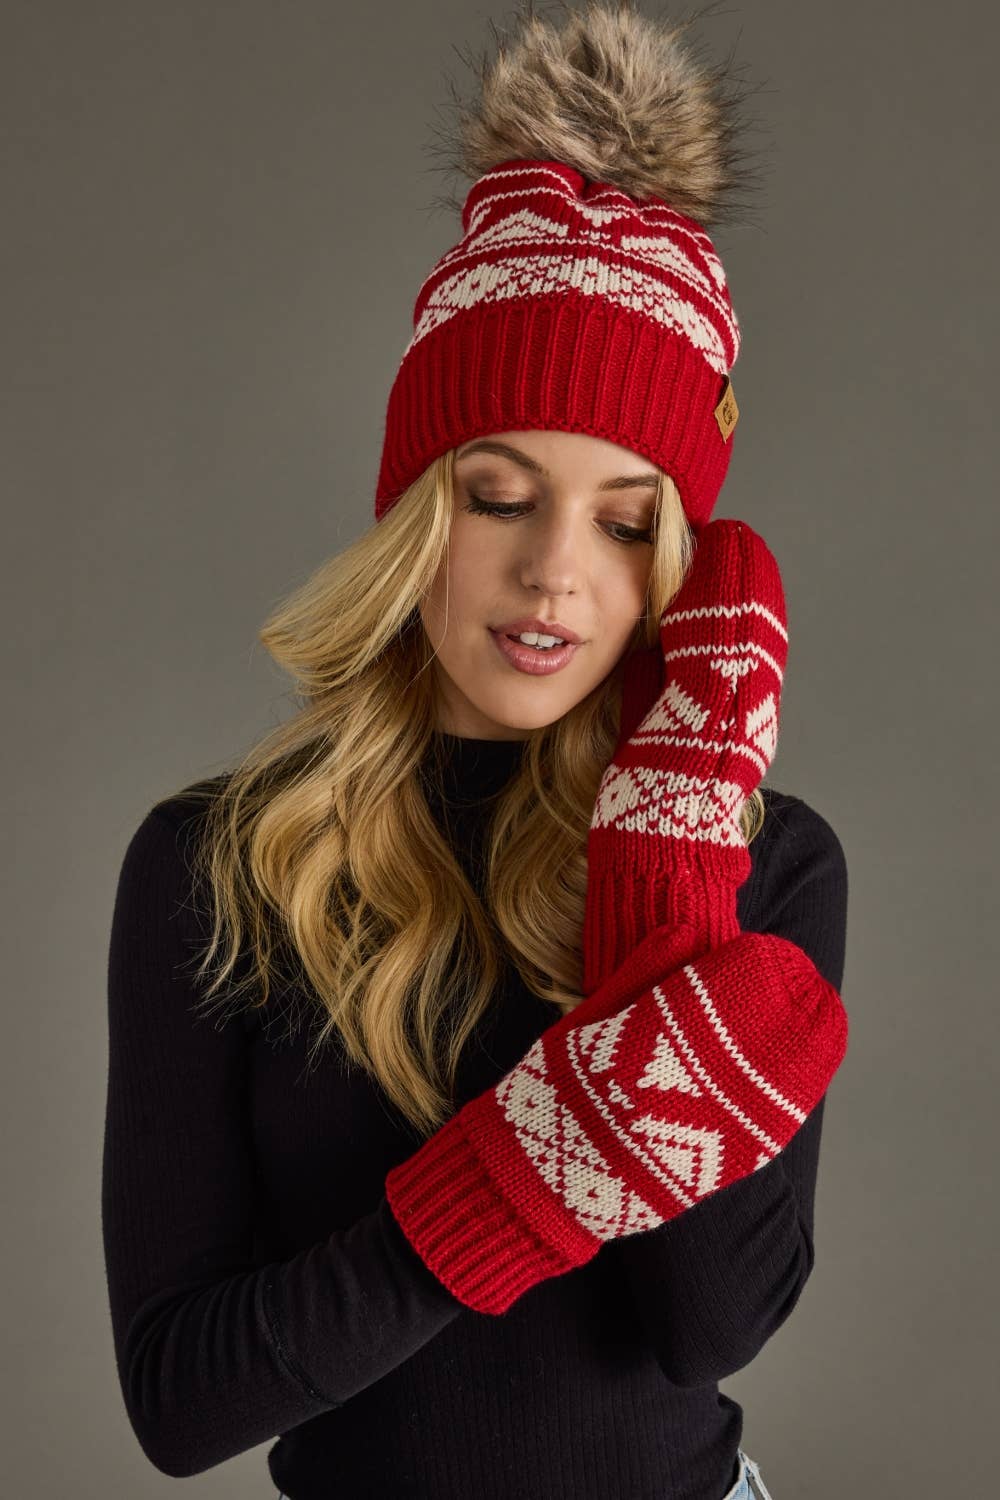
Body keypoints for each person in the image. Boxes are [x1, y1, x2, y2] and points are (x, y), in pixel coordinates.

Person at [101, 3, 848, 1497]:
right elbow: (182, 1402)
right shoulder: (221, 864)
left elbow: (709, 1329)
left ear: (674, 556)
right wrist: (525, 1173)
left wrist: (668, 891)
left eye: (625, 523)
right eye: (501, 497)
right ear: (416, 514)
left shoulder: (762, 855)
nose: (556, 573)